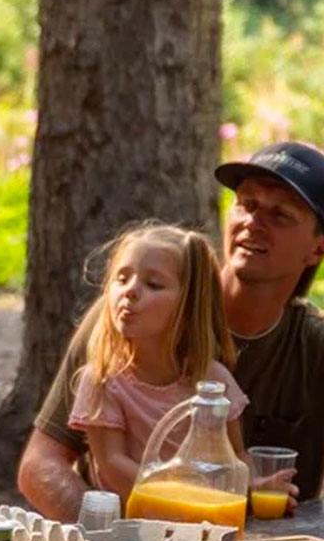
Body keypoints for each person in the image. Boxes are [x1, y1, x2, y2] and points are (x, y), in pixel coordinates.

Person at [19, 141, 324, 521]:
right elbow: (40, 466)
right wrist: (115, 536)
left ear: (317, 249)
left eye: (279, 215)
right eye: (246, 204)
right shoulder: (129, 316)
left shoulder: (313, 346)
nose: (253, 222)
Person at [66, 224, 246, 499]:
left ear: (188, 306)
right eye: (122, 279)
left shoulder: (212, 380)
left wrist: (254, 485)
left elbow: (235, 456)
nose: (130, 291)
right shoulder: (102, 379)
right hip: (130, 523)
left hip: (203, 517)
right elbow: (112, 463)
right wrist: (179, 498)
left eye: (153, 284)